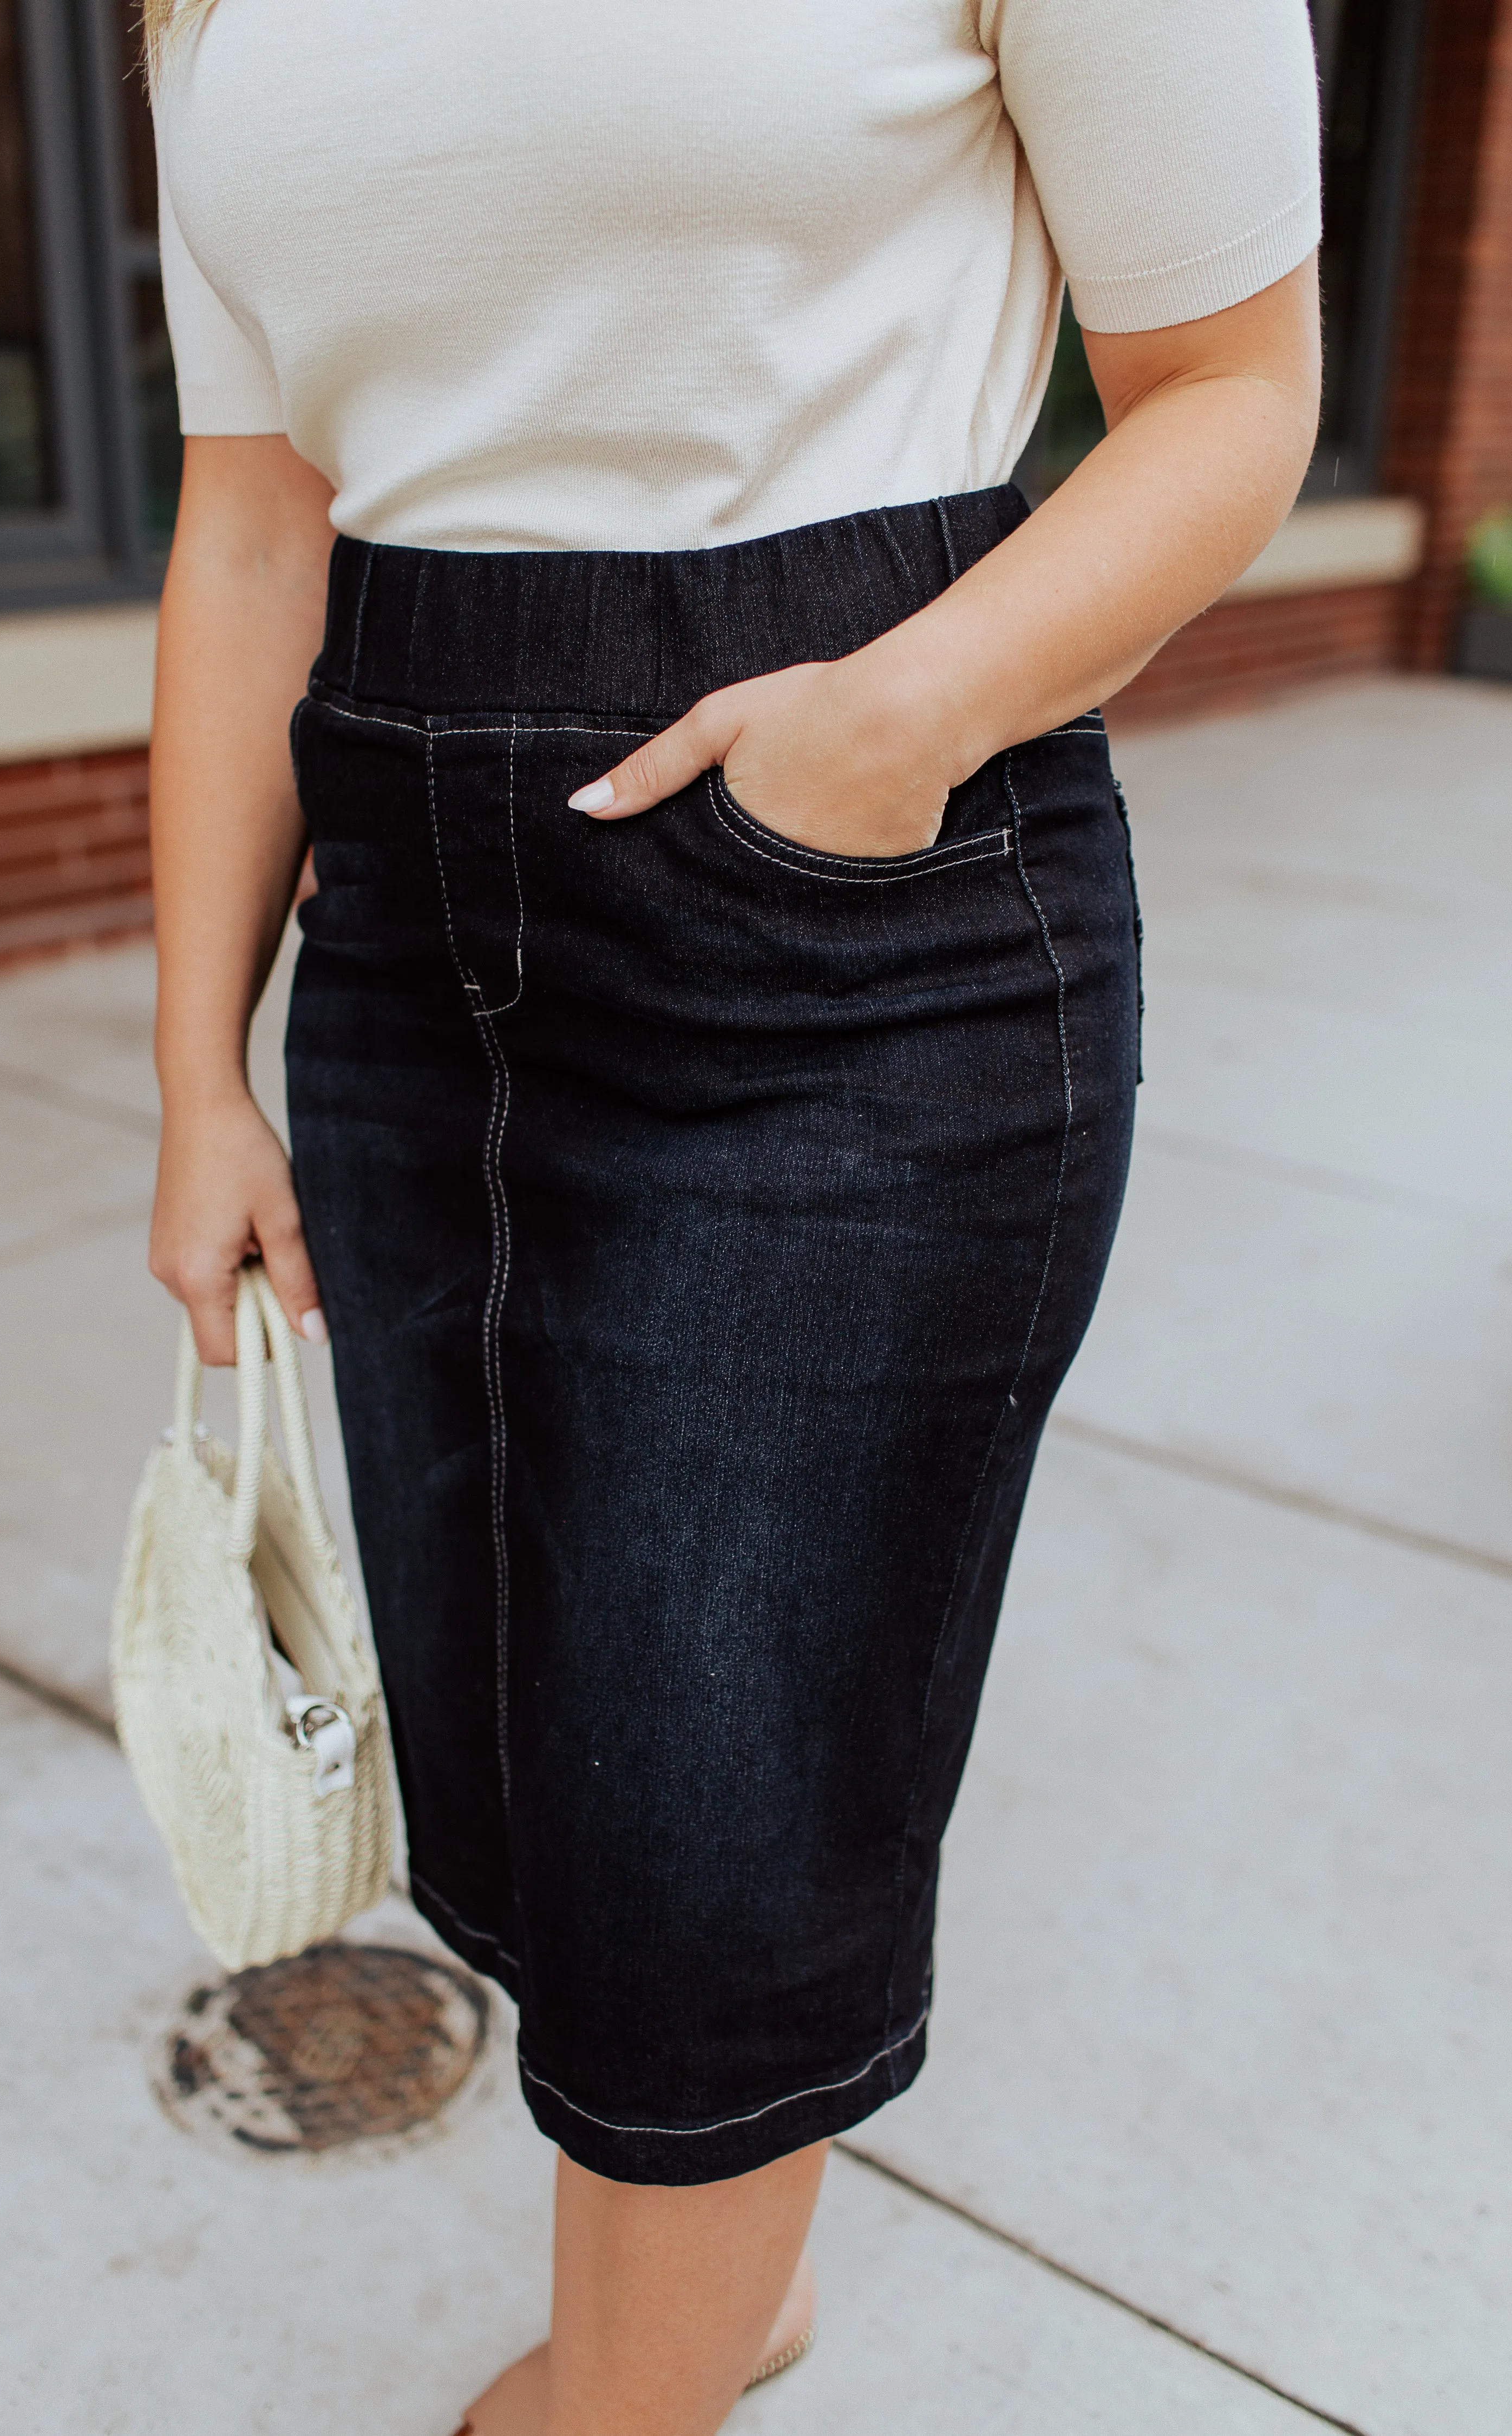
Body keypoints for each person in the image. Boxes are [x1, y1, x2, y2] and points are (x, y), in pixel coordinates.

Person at [144, 3, 1323, 2430]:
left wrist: (873, 740)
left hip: (832, 938)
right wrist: (194, 1066)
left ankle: (627, 2399)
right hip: (403, 931)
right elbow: (255, 517)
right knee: (530, 1736)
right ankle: (727, 2293)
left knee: (712, 1772)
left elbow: (1230, 387)